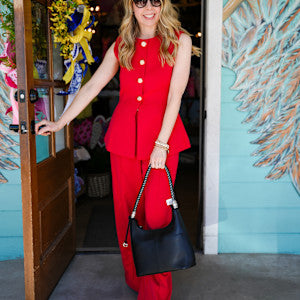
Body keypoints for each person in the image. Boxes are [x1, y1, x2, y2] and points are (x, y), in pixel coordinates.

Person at [36, 0, 200, 299]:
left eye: (155, 2)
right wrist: (61, 122)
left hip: (161, 142)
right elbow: (94, 85)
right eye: (141, 3)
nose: (148, 9)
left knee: (157, 218)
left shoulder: (181, 40)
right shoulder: (123, 43)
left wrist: (162, 144)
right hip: (124, 140)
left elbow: (176, 95)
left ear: (164, 5)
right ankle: (136, 279)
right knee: (127, 214)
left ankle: (155, 294)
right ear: (131, 7)